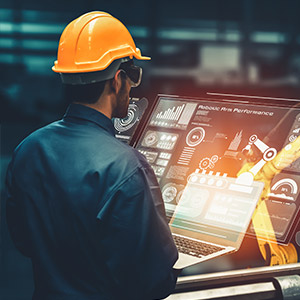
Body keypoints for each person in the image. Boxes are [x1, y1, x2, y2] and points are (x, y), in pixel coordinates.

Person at [5, 11, 179, 300]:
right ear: (117, 80)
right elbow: (154, 283)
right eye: (133, 76)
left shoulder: (28, 148)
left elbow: (23, 241)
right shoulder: (126, 167)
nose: (132, 87)